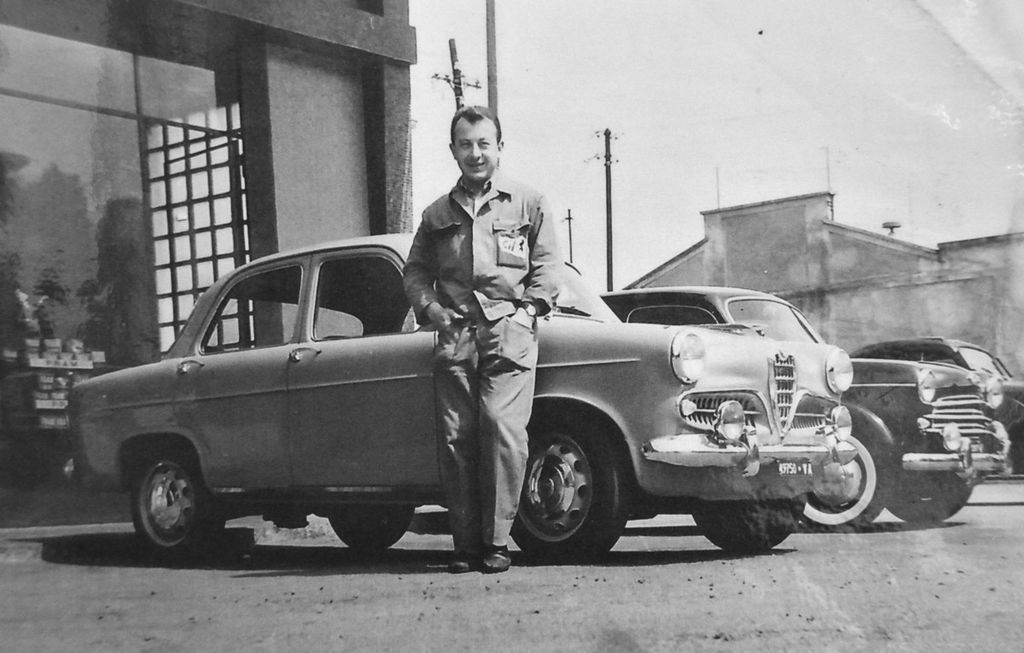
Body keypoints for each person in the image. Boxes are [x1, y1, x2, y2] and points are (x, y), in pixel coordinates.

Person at [403, 105, 561, 574]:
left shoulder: (528, 202)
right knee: (457, 437)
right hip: (455, 334)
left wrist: (529, 311)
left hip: (507, 331)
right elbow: (415, 272)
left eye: (483, 144)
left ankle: (496, 542)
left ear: (499, 148)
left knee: (500, 427)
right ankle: (464, 544)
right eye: (466, 144)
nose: (475, 153)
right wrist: (433, 311)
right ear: (453, 150)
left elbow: (548, 265)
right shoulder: (436, 214)